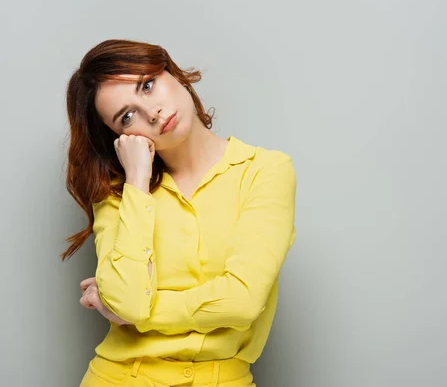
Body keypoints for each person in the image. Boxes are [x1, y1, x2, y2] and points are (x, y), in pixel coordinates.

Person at [62, 39, 297, 387]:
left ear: (173, 73)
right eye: (127, 117)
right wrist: (137, 179)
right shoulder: (117, 193)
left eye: (147, 85)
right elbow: (126, 300)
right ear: (120, 136)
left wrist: (141, 311)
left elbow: (242, 302)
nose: (152, 112)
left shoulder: (265, 171)